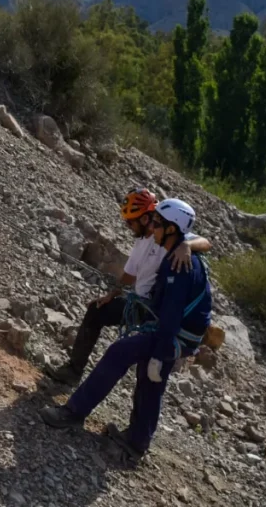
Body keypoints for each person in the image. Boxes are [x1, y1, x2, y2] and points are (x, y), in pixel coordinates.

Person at [39, 198, 212, 466]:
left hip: (174, 335)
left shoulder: (178, 266)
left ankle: (73, 413)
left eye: (157, 223)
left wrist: (161, 352)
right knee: (149, 380)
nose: (152, 226)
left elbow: (171, 314)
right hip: (175, 332)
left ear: (171, 228)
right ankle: (136, 441)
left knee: (121, 353)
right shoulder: (175, 249)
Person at [46, 188, 212, 386]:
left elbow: (205, 242)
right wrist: (112, 293)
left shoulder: (167, 234)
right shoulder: (143, 240)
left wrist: (187, 246)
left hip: (153, 309)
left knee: (126, 353)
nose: (128, 227)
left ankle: (79, 381)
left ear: (143, 220)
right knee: (96, 310)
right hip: (140, 303)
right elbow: (130, 274)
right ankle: (73, 371)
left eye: (130, 222)